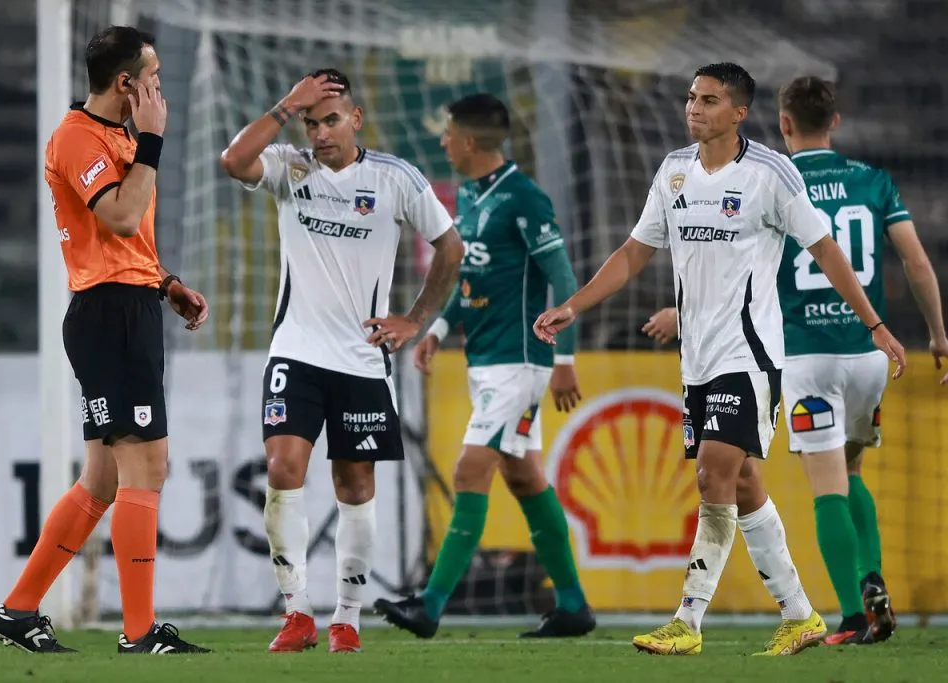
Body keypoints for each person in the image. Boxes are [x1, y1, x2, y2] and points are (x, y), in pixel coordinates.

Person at [534, 62, 907, 656]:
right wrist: (573, 306)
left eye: (708, 100)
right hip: (698, 361)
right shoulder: (674, 170)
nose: (693, 108)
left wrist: (877, 324)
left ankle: (687, 620)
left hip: (750, 355)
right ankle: (803, 615)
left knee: (711, 474)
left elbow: (826, 249)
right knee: (745, 483)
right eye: (690, 97)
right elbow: (634, 253)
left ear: (739, 112)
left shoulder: (771, 173)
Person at [643, 76, 947, 645]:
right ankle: (863, 579)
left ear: (782, 124)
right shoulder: (873, 182)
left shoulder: (770, 177)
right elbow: (918, 262)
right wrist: (933, 333)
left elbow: (742, 275)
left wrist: (679, 313)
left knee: (825, 483)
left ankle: (853, 616)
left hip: (805, 360)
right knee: (850, 471)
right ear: (834, 121)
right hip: (867, 356)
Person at [220, 69, 463, 654]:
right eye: (312, 121)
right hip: (296, 351)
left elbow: (451, 247)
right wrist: (286, 105)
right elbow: (233, 160)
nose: (321, 132)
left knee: (355, 484)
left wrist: (416, 319)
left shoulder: (396, 179)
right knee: (282, 467)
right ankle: (296, 612)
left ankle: (346, 617)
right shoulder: (289, 166)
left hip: (362, 359)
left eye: (331, 119)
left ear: (356, 120)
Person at [0, 26, 210, 654]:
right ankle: (140, 633)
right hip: (110, 316)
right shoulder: (80, 135)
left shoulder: (119, 137)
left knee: (103, 481)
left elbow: (124, 240)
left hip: (127, 304)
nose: (159, 88)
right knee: (149, 467)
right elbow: (116, 214)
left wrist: (165, 283)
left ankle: (18, 610)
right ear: (126, 83)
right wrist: (156, 140)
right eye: (154, 75)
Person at [373, 94, 595, 639]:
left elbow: (563, 280)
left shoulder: (524, 198)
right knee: (523, 477)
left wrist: (565, 358)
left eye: (447, 133)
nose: (443, 141)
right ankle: (572, 606)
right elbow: (471, 280)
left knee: (470, 471)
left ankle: (430, 606)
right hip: (488, 360)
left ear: (469, 141)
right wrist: (439, 331)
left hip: (522, 361)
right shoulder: (471, 195)